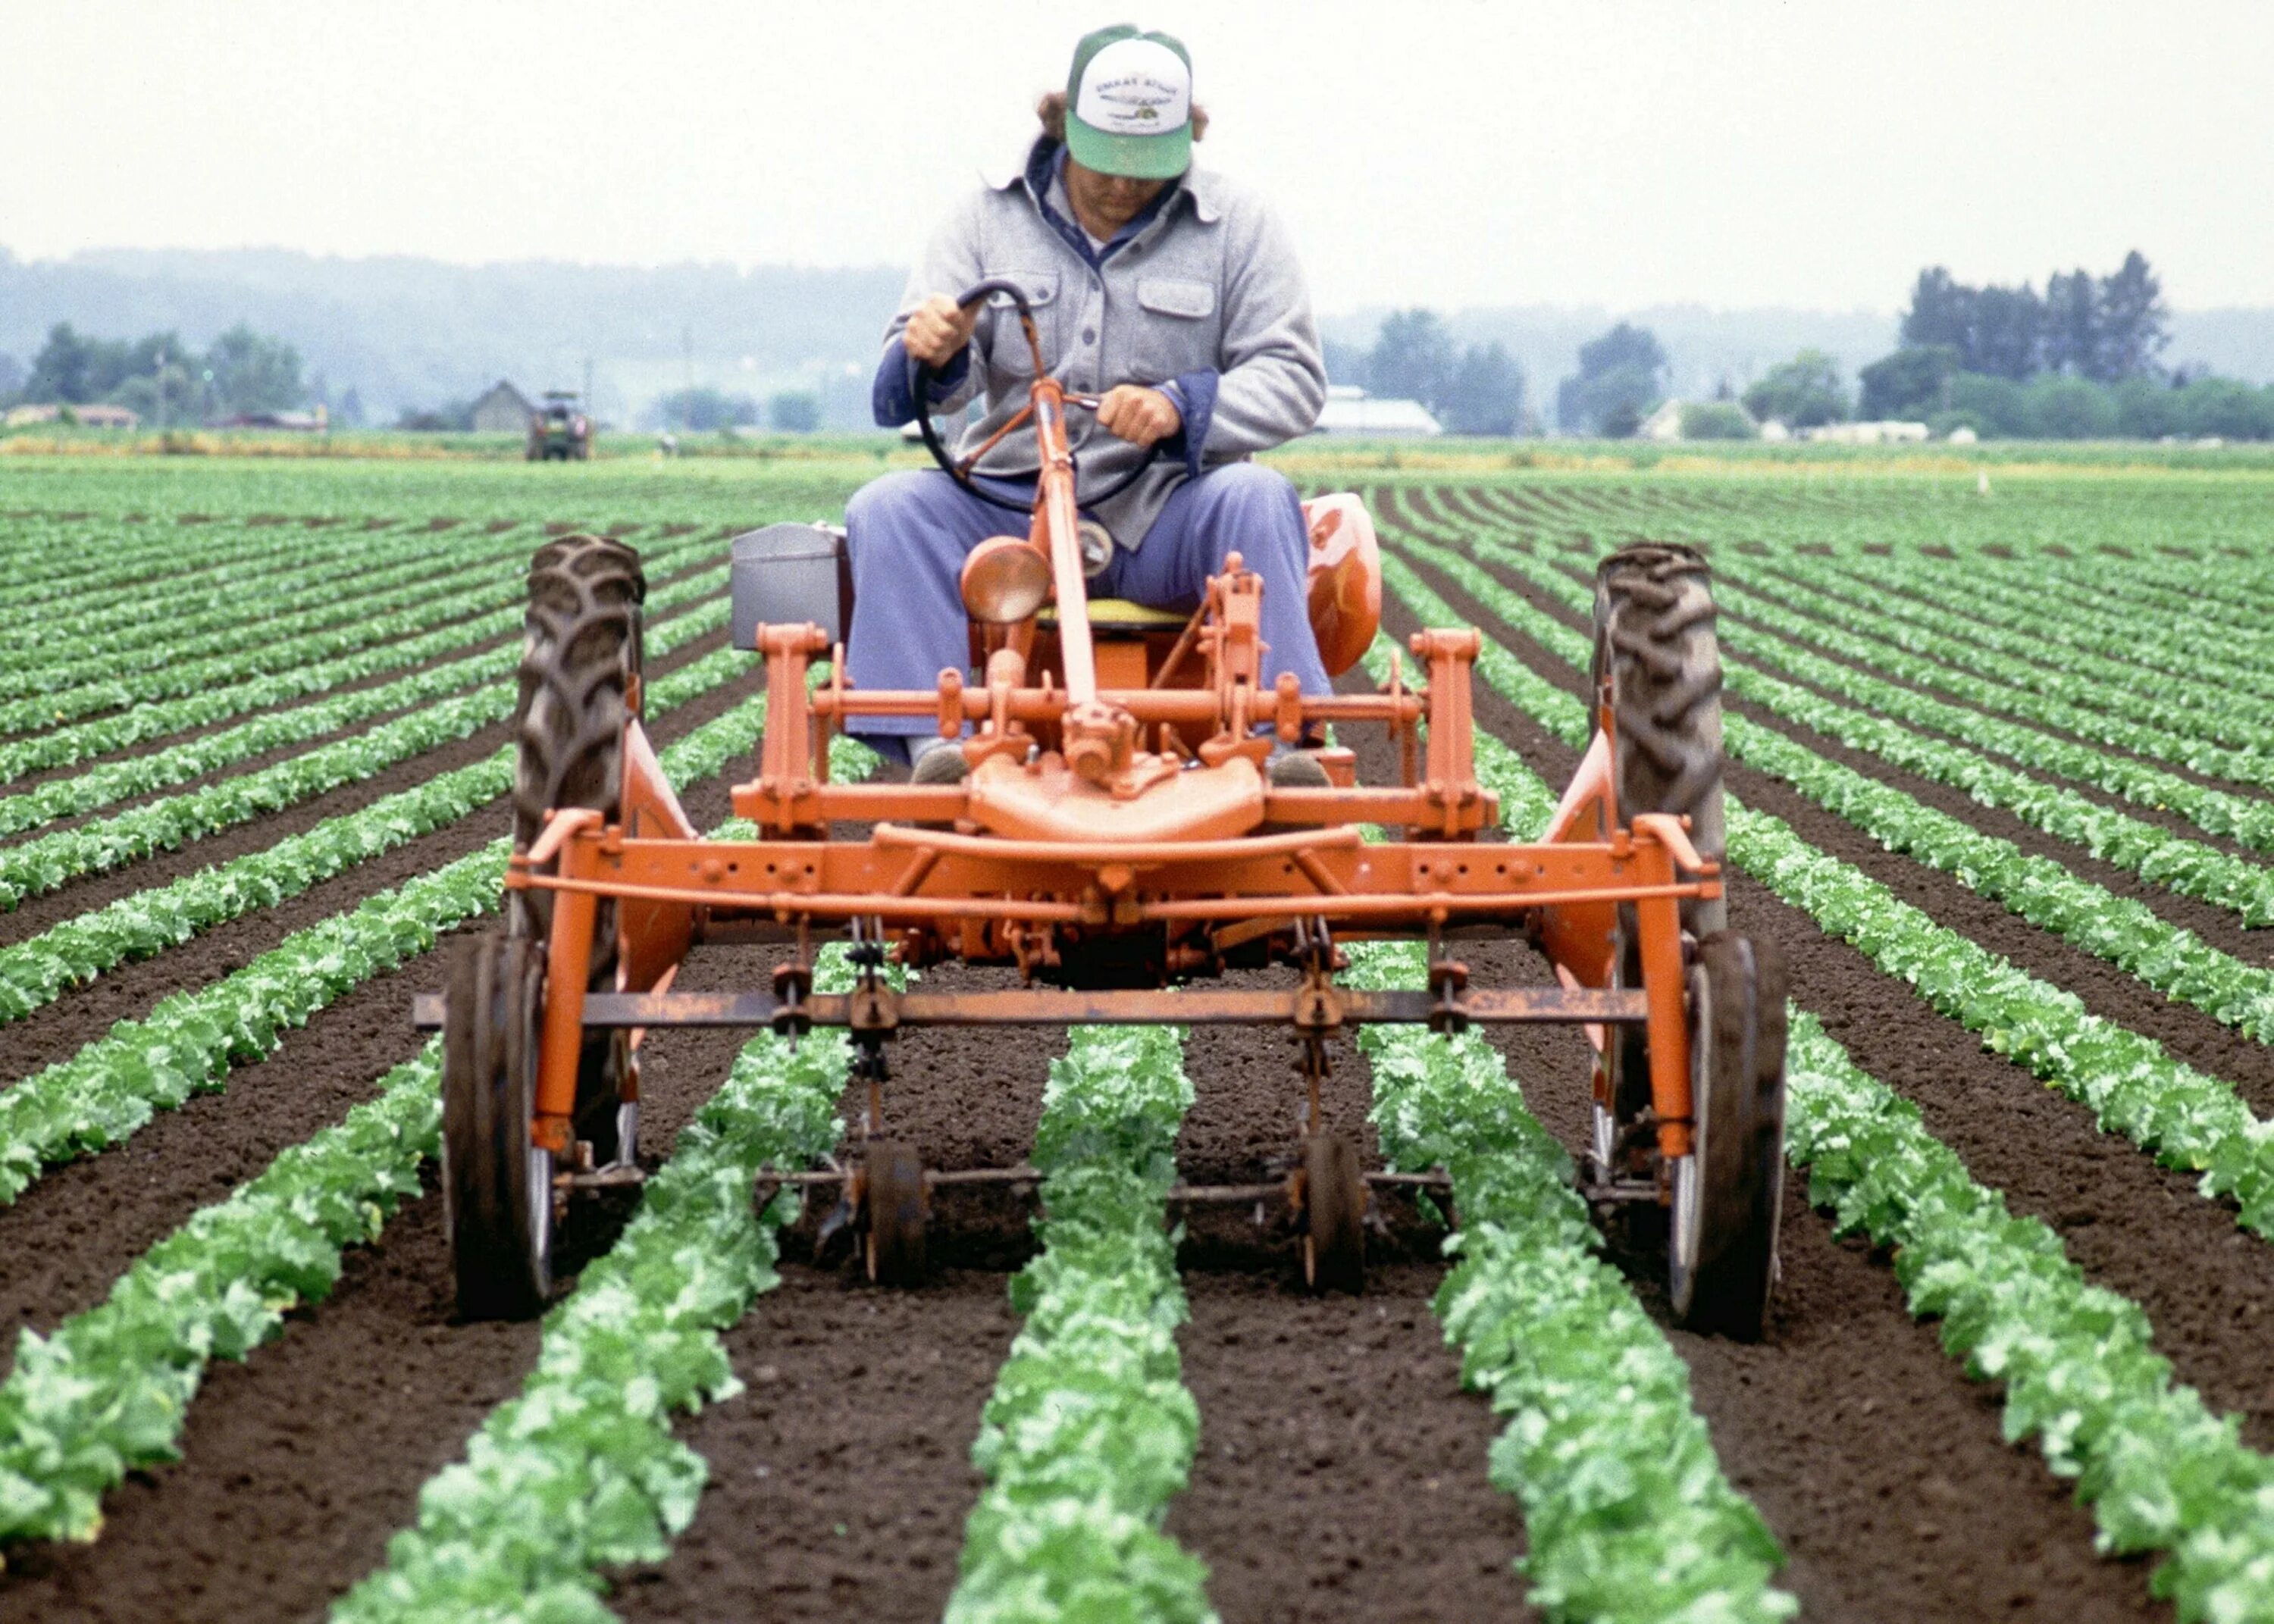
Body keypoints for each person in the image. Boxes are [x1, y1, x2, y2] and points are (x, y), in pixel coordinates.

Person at [846, 23, 1331, 784]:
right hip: (1011, 509)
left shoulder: (1239, 225)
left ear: (1187, 139)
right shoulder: (982, 218)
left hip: (1165, 509)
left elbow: (1293, 377)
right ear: (1059, 124)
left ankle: (1275, 747)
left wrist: (1180, 408)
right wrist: (931, 350)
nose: (1121, 185)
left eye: (1145, 167)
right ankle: (936, 752)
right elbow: (922, 385)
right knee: (889, 509)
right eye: (1105, 162)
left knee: (1259, 496)